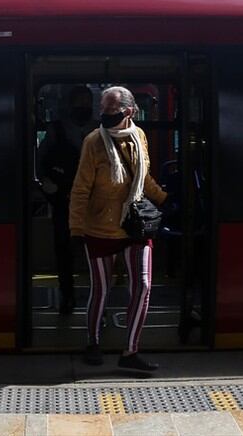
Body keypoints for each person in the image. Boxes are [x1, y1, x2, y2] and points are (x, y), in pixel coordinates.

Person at [69, 86, 168, 370]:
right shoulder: (93, 142)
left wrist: (164, 199)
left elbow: (143, 177)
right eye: (103, 109)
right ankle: (93, 342)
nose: (105, 115)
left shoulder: (139, 136)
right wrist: (76, 228)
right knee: (101, 289)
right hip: (99, 228)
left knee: (143, 285)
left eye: (111, 110)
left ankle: (130, 351)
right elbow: (80, 188)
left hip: (135, 225)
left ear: (129, 112)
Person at [37, 85, 98, 314]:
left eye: (87, 102)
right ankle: (67, 295)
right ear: (71, 105)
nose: (84, 107)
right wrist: (47, 183)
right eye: (79, 102)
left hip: (94, 201)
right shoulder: (57, 131)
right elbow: (40, 161)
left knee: (97, 253)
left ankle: (97, 301)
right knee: (64, 250)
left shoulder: (100, 129)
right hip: (64, 199)